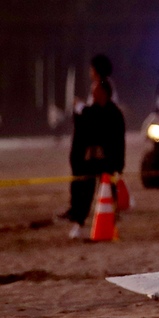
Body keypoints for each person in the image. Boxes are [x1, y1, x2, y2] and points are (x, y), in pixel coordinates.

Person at [61, 77, 127, 238]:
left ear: (103, 93)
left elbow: (119, 141)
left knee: (110, 194)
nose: (92, 94)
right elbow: (83, 130)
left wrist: (119, 163)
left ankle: (110, 225)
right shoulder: (93, 111)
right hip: (92, 161)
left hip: (109, 161)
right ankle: (79, 223)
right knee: (85, 193)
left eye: (95, 91)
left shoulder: (114, 114)